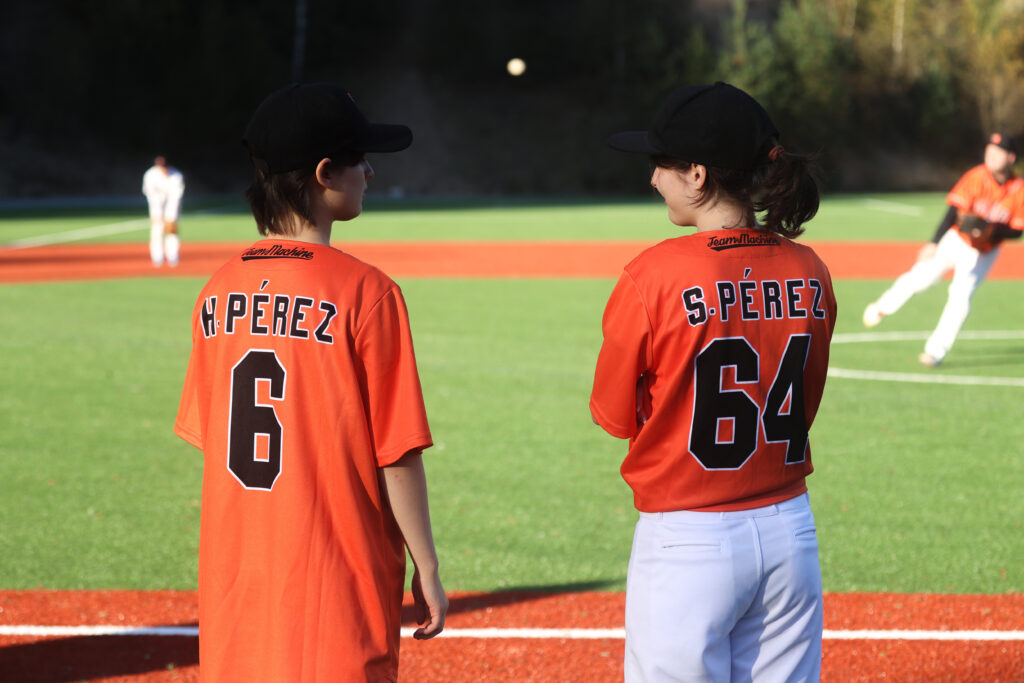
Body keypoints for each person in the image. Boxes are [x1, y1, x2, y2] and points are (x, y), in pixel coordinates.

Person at [174, 82, 447, 682]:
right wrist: (425, 563)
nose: (370, 172)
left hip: (237, 587)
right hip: (335, 585)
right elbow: (397, 452)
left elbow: (214, 437)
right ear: (324, 173)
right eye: (360, 159)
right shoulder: (368, 292)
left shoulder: (216, 290)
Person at [589, 82, 836, 682]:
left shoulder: (652, 275)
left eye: (661, 164)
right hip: (790, 529)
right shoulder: (809, 268)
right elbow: (805, 401)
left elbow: (614, 415)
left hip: (688, 538)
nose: (653, 178)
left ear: (697, 174)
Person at [862, 133, 1024, 366]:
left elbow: (1017, 231)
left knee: (961, 298)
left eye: (998, 152)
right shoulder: (976, 176)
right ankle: (882, 307)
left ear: (1011, 158)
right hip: (956, 240)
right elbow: (953, 210)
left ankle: (935, 352)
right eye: (989, 150)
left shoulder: (1019, 189)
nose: (991, 155)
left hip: (984, 252)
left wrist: (990, 231)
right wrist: (934, 243)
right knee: (920, 278)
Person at [142, 155, 185, 267]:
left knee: (171, 230)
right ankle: (157, 257)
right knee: (157, 229)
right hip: (156, 206)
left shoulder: (176, 176)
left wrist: (171, 216)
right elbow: (151, 195)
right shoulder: (150, 175)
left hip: (172, 206)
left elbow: (176, 197)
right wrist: (158, 213)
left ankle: (173, 256)